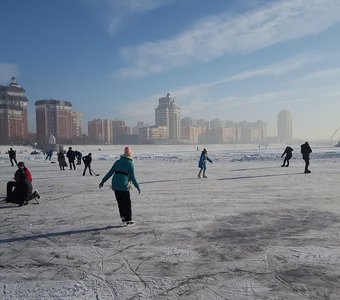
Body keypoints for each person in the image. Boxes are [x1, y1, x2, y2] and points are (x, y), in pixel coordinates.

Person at [99, 147, 140, 225]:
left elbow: (110, 172)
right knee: (127, 202)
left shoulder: (117, 162)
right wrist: (137, 186)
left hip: (115, 185)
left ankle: (123, 217)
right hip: (123, 185)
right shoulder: (130, 164)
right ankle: (128, 219)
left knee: (120, 202)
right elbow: (132, 177)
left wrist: (103, 181)